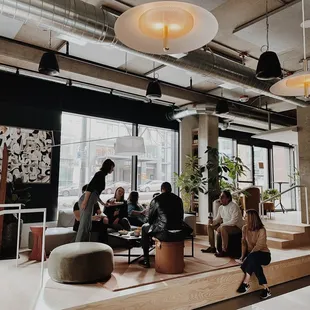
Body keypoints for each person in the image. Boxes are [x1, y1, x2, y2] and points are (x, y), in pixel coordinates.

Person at [139, 182, 188, 268]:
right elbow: (181, 216)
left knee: (144, 227)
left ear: (162, 189)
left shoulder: (156, 200)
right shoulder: (178, 199)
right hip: (180, 232)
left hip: (164, 233)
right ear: (171, 189)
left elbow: (150, 220)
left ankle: (146, 260)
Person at [75, 159, 115, 242]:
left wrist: (103, 203)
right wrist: (85, 202)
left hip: (90, 201)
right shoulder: (99, 174)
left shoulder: (102, 175)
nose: (113, 169)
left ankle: (84, 245)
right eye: (112, 167)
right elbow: (89, 188)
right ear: (109, 167)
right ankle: (78, 246)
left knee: (88, 225)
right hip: (87, 201)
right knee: (84, 225)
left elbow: (96, 194)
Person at [237, 209, 271, 299]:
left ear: (252, 218)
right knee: (254, 262)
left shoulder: (261, 230)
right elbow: (243, 243)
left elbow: (259, 246)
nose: (244, 218)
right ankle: (266, 288)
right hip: (252, 256)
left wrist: (248, 257)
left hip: (264, 254)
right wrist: (242, 256)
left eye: (246, 216)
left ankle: (246, 282)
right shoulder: (244, 228)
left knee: (252, 258)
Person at [201, 190, 244, 257]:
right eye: (220, 197)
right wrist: (212, 221)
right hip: (226, 226)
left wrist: (221, 225)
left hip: (236, 227)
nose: (220, 199)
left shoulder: (234, 206)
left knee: (223, 228)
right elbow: (218, 219)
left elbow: (233, 221)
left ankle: (224, 251)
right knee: (209, 225)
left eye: (222, 197)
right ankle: (212, 247)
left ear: (228, 198)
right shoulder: (221, 208)